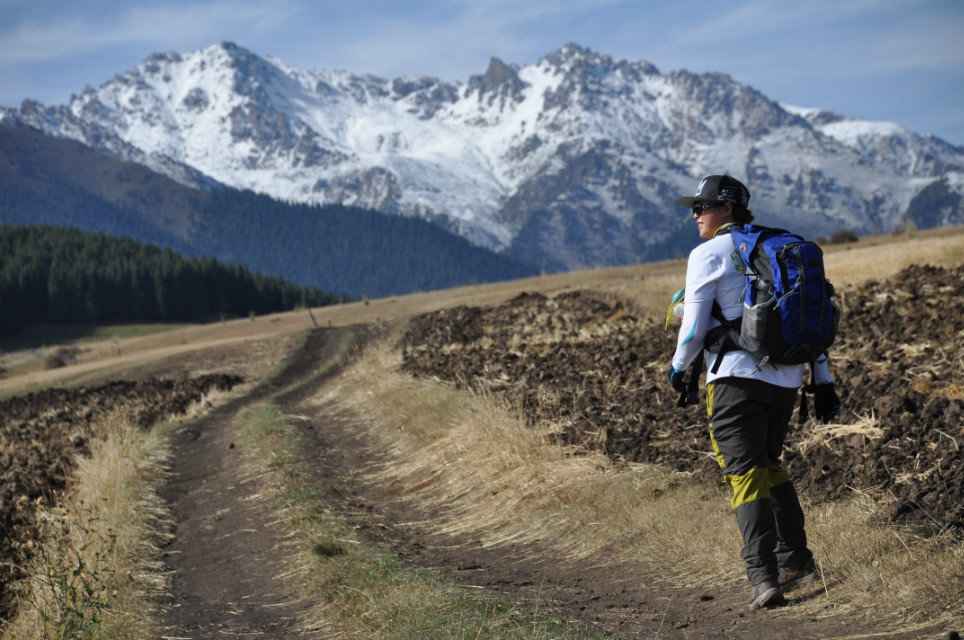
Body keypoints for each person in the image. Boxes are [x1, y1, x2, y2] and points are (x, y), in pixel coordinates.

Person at [666, 175, 840, 610]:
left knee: (743, 473)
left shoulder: (708, 254)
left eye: (702, 206)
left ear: (726, 207)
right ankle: (795, 558)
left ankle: (763, 577)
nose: (695, 215)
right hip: (785, 381)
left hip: (734, 379)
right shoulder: (778, 247)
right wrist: (822, 379)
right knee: (768, 464)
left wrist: (678, 368)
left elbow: (693, 328)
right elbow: (810, 315)